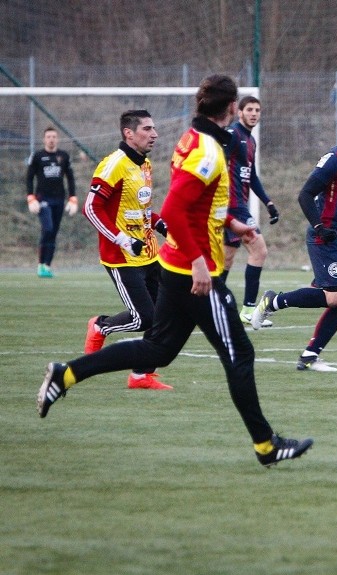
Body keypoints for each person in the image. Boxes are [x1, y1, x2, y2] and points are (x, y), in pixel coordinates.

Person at [37, 74, 313, 467]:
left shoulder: (193, 138)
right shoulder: (207, 151)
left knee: (158, 349)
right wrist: (200, 262)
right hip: (196, 273)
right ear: (232, 108)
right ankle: (266, 445)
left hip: (174, 265)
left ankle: (66, 375)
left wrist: (229, 223)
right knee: (241, 356)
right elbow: (174, 211)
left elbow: (194, 205)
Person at [251, 105, 337, 373]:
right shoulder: (334, 158)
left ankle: (309, 355)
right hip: (325, 236)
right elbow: (305, 194)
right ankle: (273, 301)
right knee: (335, 296)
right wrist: (319, 225)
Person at [82, 109, 171, 390]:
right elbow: (90, 208)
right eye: (147, 129)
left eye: (154, 128)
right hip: (121, 257)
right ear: (128, 133)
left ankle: (140, 375)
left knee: (167, 317)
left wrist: (160, 224)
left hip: (149, 253)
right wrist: (121, 239)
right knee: (143, 317)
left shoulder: (144, 165)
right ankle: (101, 326)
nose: (154, 134)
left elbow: (140, 209)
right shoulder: (114, 164)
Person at [222, 96, 280, 326]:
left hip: (239, 205)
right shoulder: (233, 135)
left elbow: (251, 175)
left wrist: (268, 202)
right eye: (250, 109)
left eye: (257, 109)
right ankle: (247, 309)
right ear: (240, 112)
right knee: (260, 250)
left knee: (226, 259)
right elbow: (220, 164)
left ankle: (208, 303)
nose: (254, 113)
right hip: (232, 206)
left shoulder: (250, 140)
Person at [26, 126, 77, 278]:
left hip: (59, 199)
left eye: (54, 136)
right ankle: (40, 264)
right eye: (48, 137)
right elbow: (29, 177)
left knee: (53, 232)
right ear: (44, 139)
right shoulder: (37, 156)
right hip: (43, 198)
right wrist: (30, 197)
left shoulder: (64, 156)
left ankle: (47, 266)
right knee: (47, 228)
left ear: (57, 138)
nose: (51, 139)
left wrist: (73, 198)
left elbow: (70, 177)